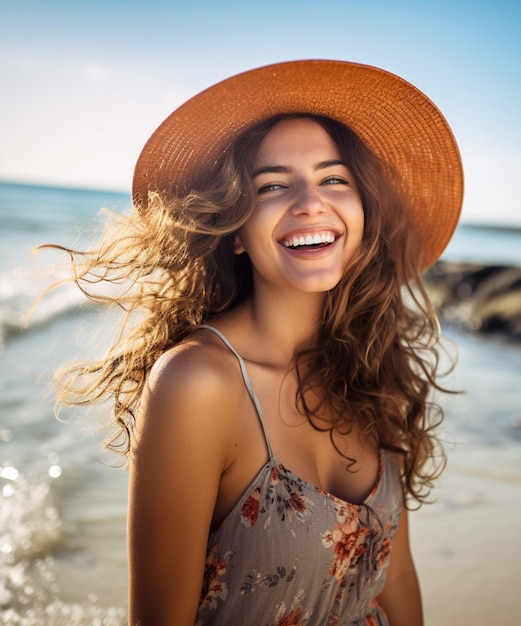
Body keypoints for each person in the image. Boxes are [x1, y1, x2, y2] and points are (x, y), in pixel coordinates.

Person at [48, 60, 463, 625]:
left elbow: (398, 576)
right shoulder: (197, 384)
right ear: (235, 229)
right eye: (273, 185)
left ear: (363, 212)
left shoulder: (372, 369)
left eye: (333, 178)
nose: (309, 202)